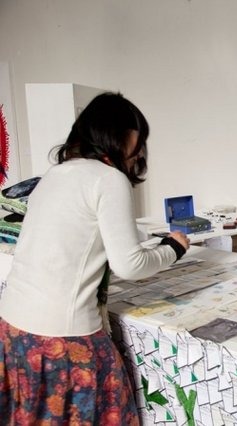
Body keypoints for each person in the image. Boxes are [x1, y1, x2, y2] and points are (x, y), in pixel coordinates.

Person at [0, 92, 190, 424]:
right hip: (61, 337)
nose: (140, 147)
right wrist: (174, 249)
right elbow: (129, 265)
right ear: (118, 134)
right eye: (138, 137)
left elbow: (88, 233)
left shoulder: (57, 173)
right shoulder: (109, 179)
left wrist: (150, 240)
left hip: (13, 328)